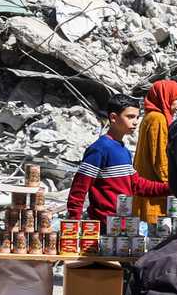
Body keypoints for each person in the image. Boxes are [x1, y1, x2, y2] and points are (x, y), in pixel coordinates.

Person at [67, 95, 171, 223]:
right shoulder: (99, 149)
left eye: (137, 117)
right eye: (130, 117)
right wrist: (74, 223)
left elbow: (137, 185)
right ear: (113, 118)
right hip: (105, 225)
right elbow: (79, 189)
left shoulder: (123, 150)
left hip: (124, 224)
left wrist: (171, 188)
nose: (135, 122)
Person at [134, 79, 177, 222]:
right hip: (155, 193)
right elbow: (161, 158)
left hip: (148, 187)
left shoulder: (149, 117)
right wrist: (173, 184)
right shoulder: (158, 119)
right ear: (165, 97)